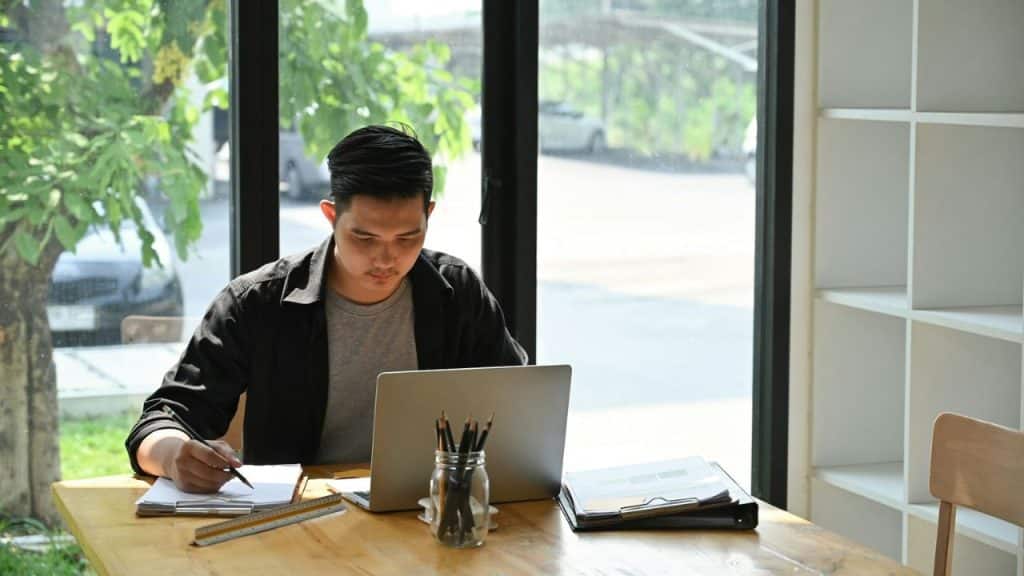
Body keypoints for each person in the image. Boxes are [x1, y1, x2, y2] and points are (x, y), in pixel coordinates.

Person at [125, 125, 526, 493]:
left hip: (427, 509)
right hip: (299, 517)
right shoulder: (258, 303)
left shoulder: (455, 293)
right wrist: (172, 456)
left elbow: (519, 407)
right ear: (331, 216)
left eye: (408, 237)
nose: (386, 258)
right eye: (365, 237)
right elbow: (162, 417)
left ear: (429, 216)